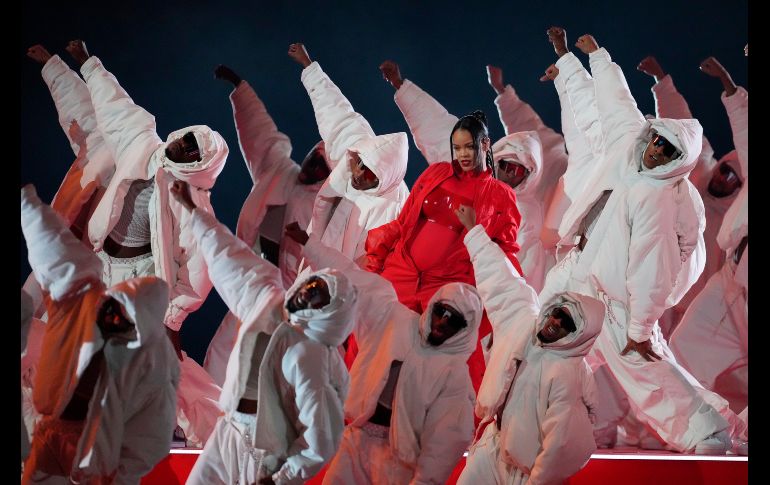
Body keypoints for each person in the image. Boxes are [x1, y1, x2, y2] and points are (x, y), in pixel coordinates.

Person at [538, 31, 743, 454]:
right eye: (656, 141)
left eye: (667, 151)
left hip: (619, 300)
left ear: (678, 160)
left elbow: (656, 265)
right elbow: (613, 105)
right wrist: (590, 58)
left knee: (645, 371)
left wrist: (640, 326)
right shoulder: (627, 147)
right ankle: (532, 426)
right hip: (577, 272)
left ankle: (708, 432)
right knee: (539, 347)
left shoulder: (663, 196)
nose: (655, 152)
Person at [60, 39, 227, 447]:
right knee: (83, 345)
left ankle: (174, 423)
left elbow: (198, 271)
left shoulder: (194, 204)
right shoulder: (144, 143)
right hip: (103, 264)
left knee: (148, 358)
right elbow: (114, 106)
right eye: (185, 139)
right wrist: (84, 61)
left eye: (190, 151)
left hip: (144, 277)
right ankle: (81, 421)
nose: (180, 147)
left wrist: (172, 317)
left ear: (199, 166)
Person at [170, 180, 358, 485]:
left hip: (267, 449)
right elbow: (230, 257)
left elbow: (321, 437)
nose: (306, 294)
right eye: (311, 285)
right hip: (229, 431)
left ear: (329, 313)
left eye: (317, 296)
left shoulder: (313, 355)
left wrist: (282, 478)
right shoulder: (269, 300)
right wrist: (194, 210)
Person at [367, 63, 522, 392]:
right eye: (457, 148)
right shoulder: (436, 173)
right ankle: (370, 421)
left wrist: (475, 235)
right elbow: (405, 221)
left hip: (449, 287)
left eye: (469, 147)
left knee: (454, 361)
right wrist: (376, 259)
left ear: (485, 145)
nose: (463, 154)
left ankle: (470, 426)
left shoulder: (499, 194)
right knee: (379, 349)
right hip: (403, 275)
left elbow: (506, 251)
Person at [293, 229, 479, 484]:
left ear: (464, 328)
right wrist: (310, 244)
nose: (442, 322)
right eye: (441, 311)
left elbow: (446, 439)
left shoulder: (454, 373)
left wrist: (424, 481)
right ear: (433, 305)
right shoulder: (394, 318)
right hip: (355, 439)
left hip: (399, 462)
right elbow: (351, 279)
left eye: (453, 320)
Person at [21, 184, 179, 484]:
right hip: (50, 428)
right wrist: (27, 206)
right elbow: (57, 260)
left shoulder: (149, 364)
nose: (112, 318)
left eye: (123, 319)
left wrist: (121, 473)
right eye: (113, 309)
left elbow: (153, 431)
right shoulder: (82, 309)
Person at [454, 205, 603, 485]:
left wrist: (538, 481)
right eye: (558, 313)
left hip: (525, 470)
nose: (556, 322)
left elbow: (564, 443)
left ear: (578, 335)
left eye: (567, 324)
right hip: (491, 445)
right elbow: (500, 281)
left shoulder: (567, 374)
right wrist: (474, 231)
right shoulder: (524, 321)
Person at [203, 64, 331, 386]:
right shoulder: (279, 170)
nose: (311, 168)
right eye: (313, 159)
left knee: (271, 363)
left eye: (320, 168)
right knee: (224, 348)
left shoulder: (328, 208)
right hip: (252, 279)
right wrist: (239, 86)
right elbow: (260, 132)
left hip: (287, 295)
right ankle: (207, 415)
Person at [378, 59, 548, 292]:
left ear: (529, 175)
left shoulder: (524, 212)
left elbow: (518, 263)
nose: (509, 173)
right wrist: (400, 85)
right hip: (415, 271)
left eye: (517, 170)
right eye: (506, 164)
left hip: (464, 288)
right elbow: (436, 126)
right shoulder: (469, 168)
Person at [637, 55, 744, 338]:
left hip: (693, 299)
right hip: (658, 278)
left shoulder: (733, 219)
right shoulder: (699, 170)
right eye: (724, 171)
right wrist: (661, 81)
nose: (723, 179)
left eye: (733, 178)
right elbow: (681, 122)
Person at [670, 54, 749, 419]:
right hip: (731, 277)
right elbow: (745, 127)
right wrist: (729, 86)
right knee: (684, 347)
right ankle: (694, 424)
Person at [287, 43, 409, 269]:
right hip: (315, 262)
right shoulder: (359, 149)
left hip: (346, 287)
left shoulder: (394, 209)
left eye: (369, 175)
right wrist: (308, 65)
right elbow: (336, 112)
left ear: (381, 180)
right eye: (360, 166)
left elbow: (380, 265)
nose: (358, 175)